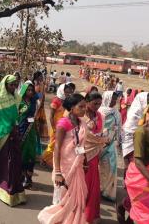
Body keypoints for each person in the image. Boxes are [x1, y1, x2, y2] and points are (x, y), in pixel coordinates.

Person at [37, 94, 88, 224]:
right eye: (81, 107)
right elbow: (57, 149)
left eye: (85, 106)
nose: (84, 109)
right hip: (65, 168)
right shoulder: (63, 123)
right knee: (62, 200)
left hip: (77, 166)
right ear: (71, 107)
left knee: (77, 200)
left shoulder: (82, 123)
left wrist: (85, 161)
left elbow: (81, 145)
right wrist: (58, 172)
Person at [0, 75, 26, 207]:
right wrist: (9, 127)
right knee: (5, 162)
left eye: (15, 85)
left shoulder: (16, 97)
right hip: (3, 136)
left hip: (14, 135)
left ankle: (15, 190)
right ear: (5, 85)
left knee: (16, 162)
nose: (13, 87)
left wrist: (21, 112)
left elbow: (21, 109)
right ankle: (2, 187)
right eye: (11, 85)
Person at [83, 92, 108, 224]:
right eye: (95, 103)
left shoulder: (100, 116)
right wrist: (102, 139)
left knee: (93, 187)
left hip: (94, 155)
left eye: (99, 103)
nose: (97, 106)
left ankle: (90, 214)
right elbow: (79, 137)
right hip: (82, 154)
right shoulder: (80, 115)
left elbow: (101, 133)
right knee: (81, 186)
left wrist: (102, 138)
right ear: (87, 102)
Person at [40, 83, 74, 168]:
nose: (67, 94)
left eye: (69, 92)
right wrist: (54, 128)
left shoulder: (67, 101)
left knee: (60, 145)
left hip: (64, 127)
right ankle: (44, 158)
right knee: (52, 145)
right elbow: (51, 116)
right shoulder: (56, 101)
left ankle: (52, 161)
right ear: (61, 91)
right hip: (56, 127)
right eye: (66, 92)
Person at [122, 91, 149, 169]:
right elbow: (130, 130)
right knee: (129, 163)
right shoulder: (134, 114)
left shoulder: (146, 112)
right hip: (130, 139)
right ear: (142, 100)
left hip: (139, 139)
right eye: (148, 100)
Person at [99, 91, 121, 201]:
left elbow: (119, 127)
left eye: (115, 99)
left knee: (110, 165)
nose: (114, 101)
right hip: (99, 142)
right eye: (112, 99)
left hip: (111, 142)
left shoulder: (116, 112)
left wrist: (117, 139)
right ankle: (97, 187)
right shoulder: (100, 112)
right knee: (98, 166)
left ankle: (107, 190)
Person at [18, 81, 37, 189]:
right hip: (21, 129)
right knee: (22, 154)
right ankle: (22, 176)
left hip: (31, 130)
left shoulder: (34, 103)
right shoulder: (19, 102)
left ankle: (29, 178)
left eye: (32, 90)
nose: (30, 92)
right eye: (28, 90)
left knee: (31, 154)